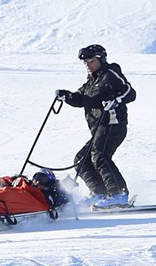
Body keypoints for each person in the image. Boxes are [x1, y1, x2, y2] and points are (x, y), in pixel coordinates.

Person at [55, 44, 136, 208]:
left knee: (100, 156)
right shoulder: (92, 81)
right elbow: (81, 99)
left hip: (113, 125)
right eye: (85, 62)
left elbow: (130, 92)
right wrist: (67, 96)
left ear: (100, 59)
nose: (87, 64)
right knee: (81, 160)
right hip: (99, 128)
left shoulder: (110, 73)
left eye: (91, 60)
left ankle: (119, 194)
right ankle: (99, 193)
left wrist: (117, 99)